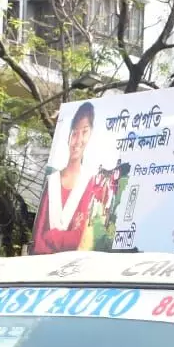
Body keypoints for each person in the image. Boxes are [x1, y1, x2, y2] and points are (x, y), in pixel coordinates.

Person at [31, 102, 110, 254]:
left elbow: (78, 237)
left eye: (84, 132)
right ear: (68, 137)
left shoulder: (91, 183)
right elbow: (38, 237)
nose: (78, 140)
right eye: (74, 133)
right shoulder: (52, 182)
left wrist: (51, 236)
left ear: (91, 135)